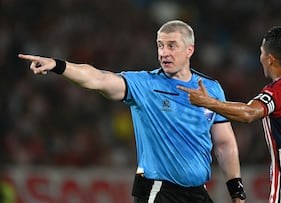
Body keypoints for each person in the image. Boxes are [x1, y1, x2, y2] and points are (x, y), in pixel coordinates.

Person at [18, 20, 246, 203]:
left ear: (190, 50)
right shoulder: (144, 85)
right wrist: (59, 65)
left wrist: (236, 192)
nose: (163, 52)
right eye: (159, 45)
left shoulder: (211, 89)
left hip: (197, 192)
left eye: (171, 46)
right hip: (159, 191)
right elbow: (98, 79)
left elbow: (224, 143)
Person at [178, 26, 281, 203]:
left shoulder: (280, 91)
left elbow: (249, 113)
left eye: (261, 53)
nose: (260, 58)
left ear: (270, 59)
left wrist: (208, 102)